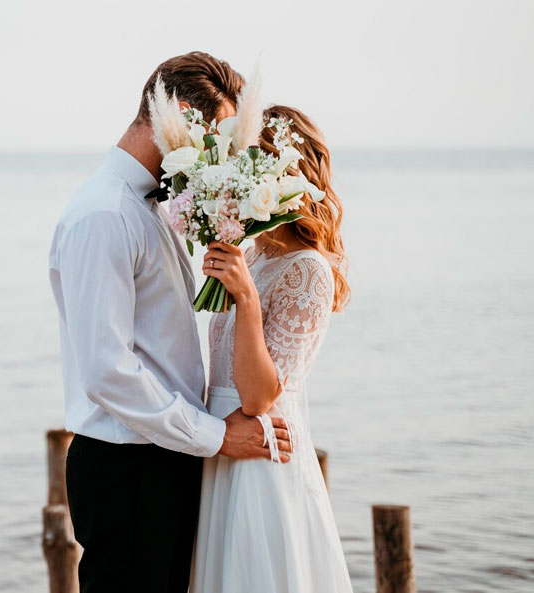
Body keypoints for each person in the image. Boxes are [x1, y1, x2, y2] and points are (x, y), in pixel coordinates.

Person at [48, 52, 292, 593]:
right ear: (180, 115)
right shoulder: (105, 215)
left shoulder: (148, 208)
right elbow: (107, 371)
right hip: (129, 468)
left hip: (160, 459)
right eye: (219, 136)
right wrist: (215, 436)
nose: (220, 153)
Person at [190, 104, 354, 593]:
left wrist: (245, 297)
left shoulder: (308, 270)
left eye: (251, 164)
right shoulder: (254, 252)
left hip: (260, 457)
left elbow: (260, 398)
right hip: (219, 441)